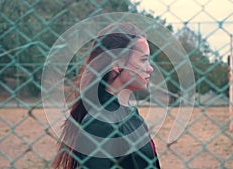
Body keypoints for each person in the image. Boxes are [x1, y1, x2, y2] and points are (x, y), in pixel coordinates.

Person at [51, 22, 161, 169]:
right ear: (117, 64)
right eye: (143, 60)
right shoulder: (100, 122)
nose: (150, 68)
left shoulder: (131, 114)